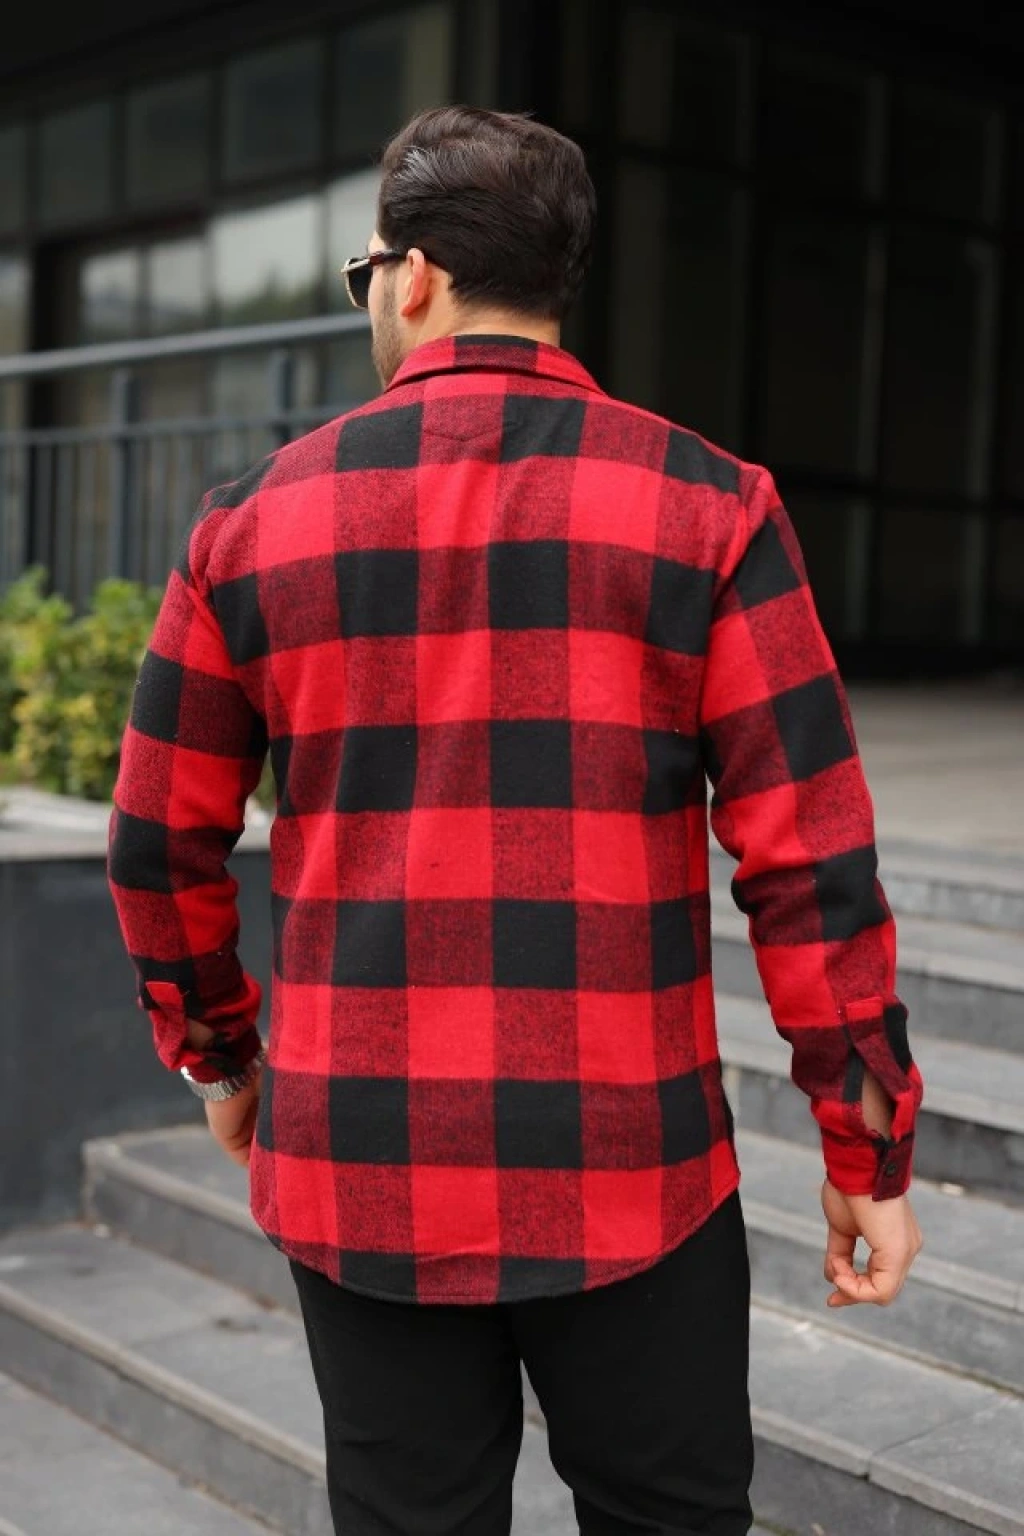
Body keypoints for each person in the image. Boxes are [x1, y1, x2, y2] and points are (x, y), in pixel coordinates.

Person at [108, 105, 924, 1536]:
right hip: (632, 1159)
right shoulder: (712, 509)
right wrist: (865, 1149)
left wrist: (221, 1057)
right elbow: (812, 861)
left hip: (361, 1159)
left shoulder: (249, 526)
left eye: (364, 275)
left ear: (414, 276)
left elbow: (157, 844)